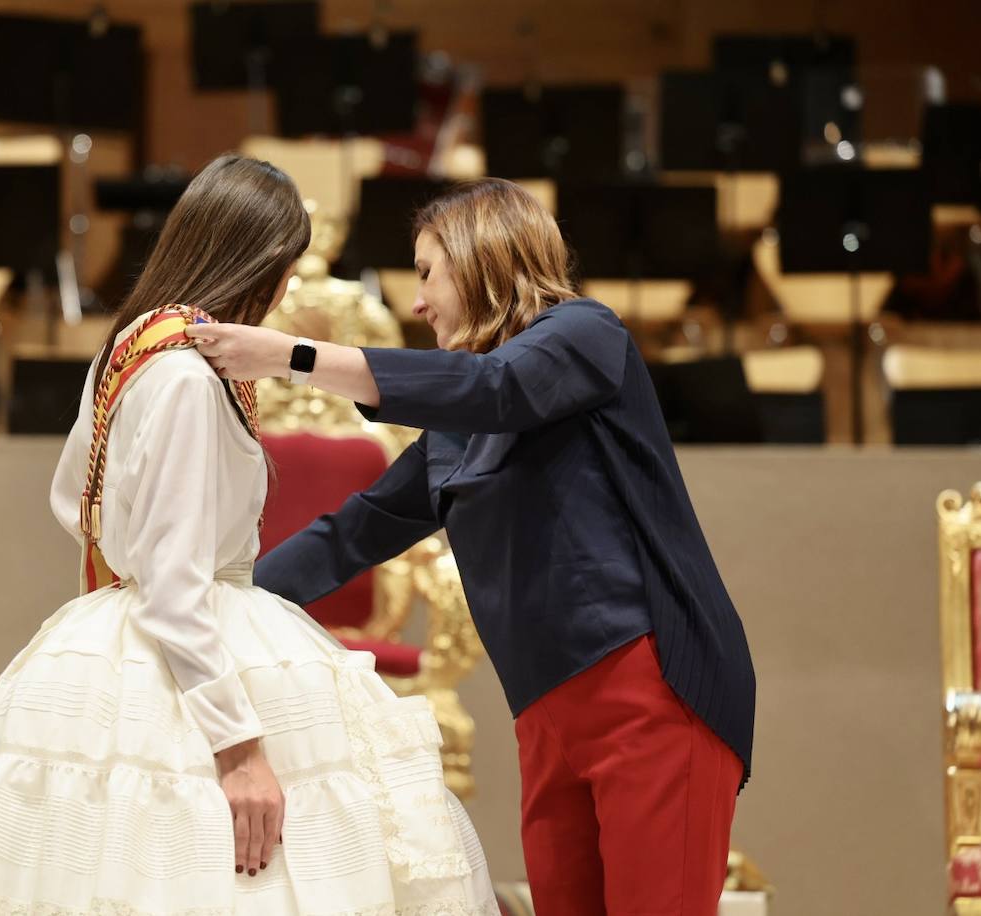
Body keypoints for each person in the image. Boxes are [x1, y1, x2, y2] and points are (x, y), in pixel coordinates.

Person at [0, 155, 496, 916]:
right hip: (193, 632)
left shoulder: (132, 346)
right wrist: (239, 749)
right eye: (286, 269)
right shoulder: (187, 374)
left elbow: (74, 498)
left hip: (110, 630)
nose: (283, 293)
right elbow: (176, 584)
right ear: (260, 263)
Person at [186, 177, 756, 916]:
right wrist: (219, 603)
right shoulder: (461, 424)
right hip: (544, 715)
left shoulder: (585, 334)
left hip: (648, 692)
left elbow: (494, 386)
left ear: (481, 256)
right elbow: (355, 531)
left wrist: (293, 355)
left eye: (426, 273)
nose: (417, 303)